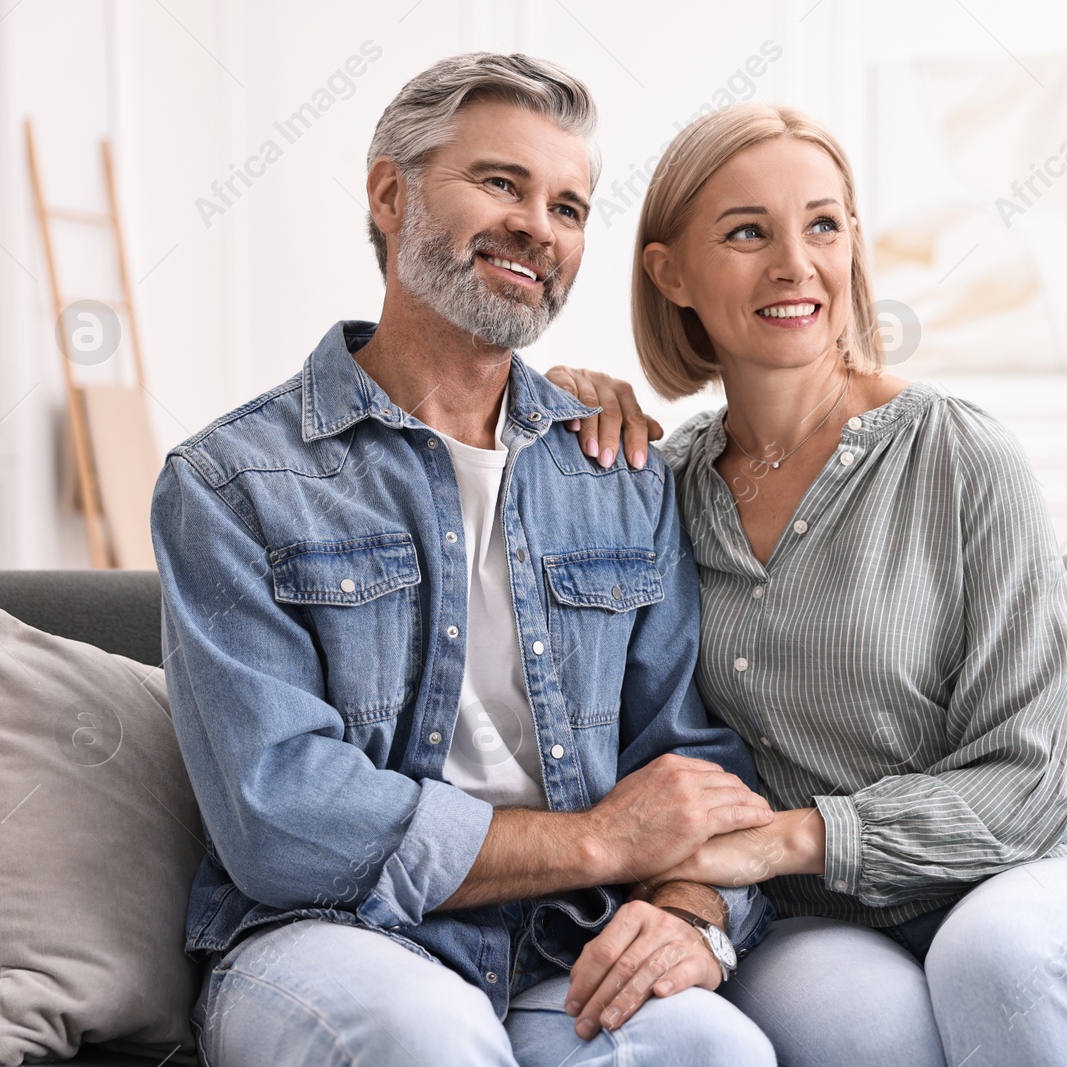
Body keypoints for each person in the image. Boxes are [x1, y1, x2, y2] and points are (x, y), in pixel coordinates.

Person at [150, 54, 780, 1067]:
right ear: (390, 194)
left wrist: (693, 912)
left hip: (557, 945)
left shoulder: (617, 471)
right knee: (424, 1035)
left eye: (568, 205)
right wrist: (597, 841)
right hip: (329, 939)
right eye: (500, 183)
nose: (540, 223)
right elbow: (282, 814)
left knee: (713, 1046)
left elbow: (693, 760)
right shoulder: (232, 482)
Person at [547, 102, 1067, 1066]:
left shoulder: (960, 455)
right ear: (669, 270)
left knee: (998, 961)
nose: (796, 264)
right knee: (863, 1033)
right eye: (747, 231)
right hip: (817, 921)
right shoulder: (658, 492)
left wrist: (792, 838)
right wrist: (553, 407)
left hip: (1028, 884)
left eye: (824, 224)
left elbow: (1034, 777)